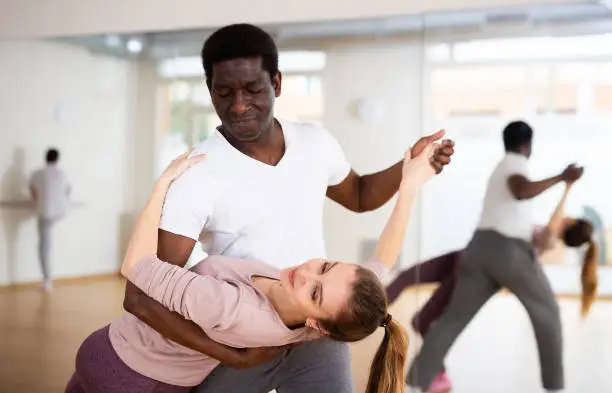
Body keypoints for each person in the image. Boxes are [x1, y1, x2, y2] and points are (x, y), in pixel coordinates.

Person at [120, 23, 455, 393]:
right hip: (243, 339)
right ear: (210, 91)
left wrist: (408, 167)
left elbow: (360, 196)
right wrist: (233, 355)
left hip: (315, 328)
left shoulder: (315, 142)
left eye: (253, 89)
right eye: (224, 92)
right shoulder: (197, 173)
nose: (239, 105)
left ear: (276, 83)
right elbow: (144, 293)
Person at [65, 141, 438, 393]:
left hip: (126, 375)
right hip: (117, 350)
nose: (306, 273)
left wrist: (163, 183)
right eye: (325, 265)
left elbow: (136, 267)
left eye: (314, 291)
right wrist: (410, 184)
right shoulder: (322, 319)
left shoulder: (234, 308)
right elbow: (383, 259)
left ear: (317, 326)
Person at [406, 120, 585, 393]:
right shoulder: (515, 164)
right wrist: (562, 178)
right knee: (547, 311)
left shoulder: (501, 167)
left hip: (478, 250)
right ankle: (555, 387)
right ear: (527, 144)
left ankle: (417, 380)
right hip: (507, 252)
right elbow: (521, 190)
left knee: (452, 319)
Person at [388, 179, 598, 393]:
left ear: (570, 224)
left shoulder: (548, 241)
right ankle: (371, 311)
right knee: (408, 281)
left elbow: (554, 223)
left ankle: (436, 375)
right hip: (465, 255)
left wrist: (567, 188)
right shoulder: (542, 233)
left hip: (469, 270)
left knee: (423, 321)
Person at [29, 148, 71, 291]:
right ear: (57, 159)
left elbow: (33, 191)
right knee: (46, 244)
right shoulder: (62, 174)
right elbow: (68, 190)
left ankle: (47, 281)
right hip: (61, 212)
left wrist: (39, 201)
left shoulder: (37, 173)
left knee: (44, 247)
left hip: (45, 213)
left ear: (45, 158)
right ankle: (47, 279)